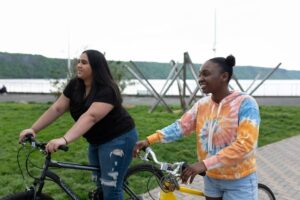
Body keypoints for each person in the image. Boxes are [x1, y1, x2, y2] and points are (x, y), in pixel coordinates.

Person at [133, 55, 260, 200]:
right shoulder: (202, 105)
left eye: (206, 74)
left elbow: (245, 145)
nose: (200, 78)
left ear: (224, 76)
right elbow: (180, 127)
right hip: (211, 178)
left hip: (239, 179)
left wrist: (203, 164)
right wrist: (149, 140)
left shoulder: (246, 103)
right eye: (199, 74)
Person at [19, 49, 138, 200]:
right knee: (99, 185)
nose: (79, 66)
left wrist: (64, 139)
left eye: (84, 62)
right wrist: (33, 129)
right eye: (78, 62)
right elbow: (57, 108)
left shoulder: (107, 89)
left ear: (96, 67)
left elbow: (90, 117)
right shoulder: (75, 85)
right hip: (96, 140)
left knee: (111, 189)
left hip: (119, 139)